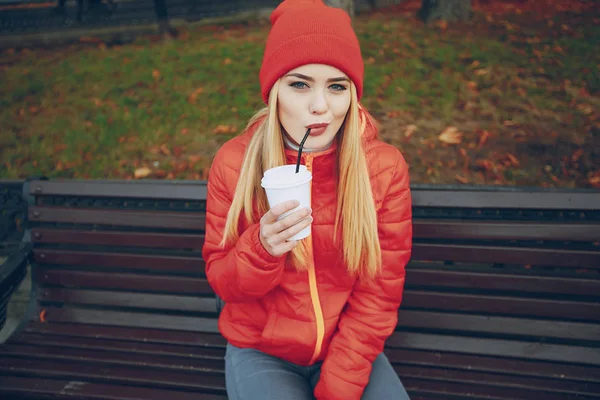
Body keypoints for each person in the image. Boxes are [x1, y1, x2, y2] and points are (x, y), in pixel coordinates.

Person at [201, 0, 412, 398]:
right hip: (261, 348)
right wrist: (261, 249)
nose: (320, 107)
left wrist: (338, 387)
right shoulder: (234, 163)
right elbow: (224, 282)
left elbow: (379, 292)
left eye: (337, 86)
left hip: (349, 344)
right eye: (300, 84)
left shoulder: (382, 170)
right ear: (273, 91)